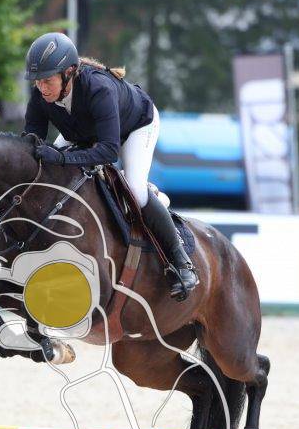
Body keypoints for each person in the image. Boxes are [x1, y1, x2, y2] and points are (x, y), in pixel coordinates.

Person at [21, 31, 197, 300]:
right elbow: (31, 142)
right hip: (85, 131)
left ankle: (181, 261)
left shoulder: (98, 88)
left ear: (68, 73)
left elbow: (108, 151)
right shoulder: (41, 96)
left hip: (135, 126)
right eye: (37, 81)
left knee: (135, 190)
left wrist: (64, 158)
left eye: (47, 80)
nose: (42, 88)